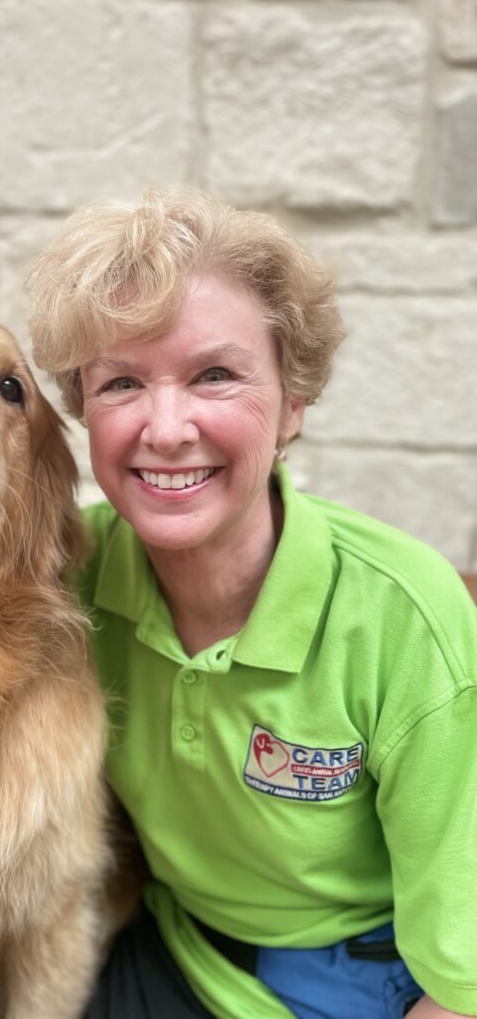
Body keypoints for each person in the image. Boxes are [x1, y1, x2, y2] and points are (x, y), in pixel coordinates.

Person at [26, 187, 477, 1019]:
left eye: (216, 376)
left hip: (373, 985)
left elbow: (463, 981)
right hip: (174, 953)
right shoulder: (63, 574)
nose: (166, 429)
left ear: (293, 401)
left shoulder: (405, 617)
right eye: (122, 382)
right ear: (81, 408)